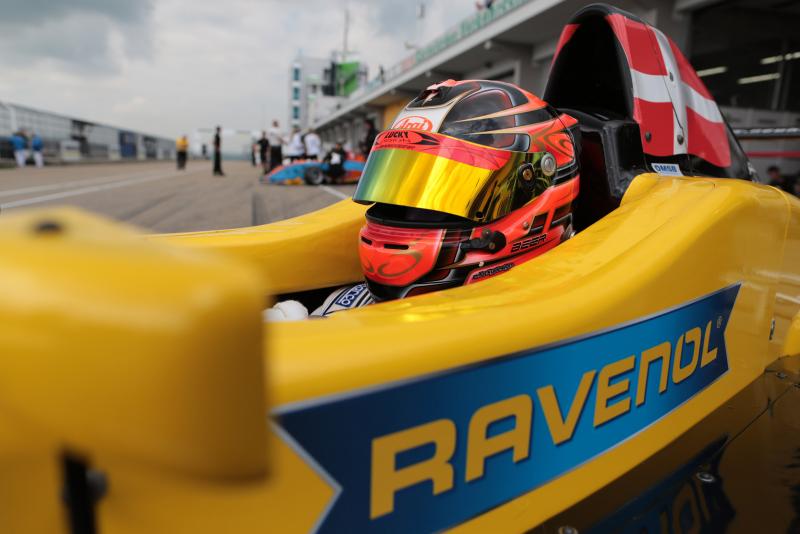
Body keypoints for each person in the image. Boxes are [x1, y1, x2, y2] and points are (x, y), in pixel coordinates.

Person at [266, 79, 581, 320]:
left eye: (453, 190)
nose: (408, 212)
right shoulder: (347, 303)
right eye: (400, 189)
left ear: (538, 188)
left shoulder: (568, 315)